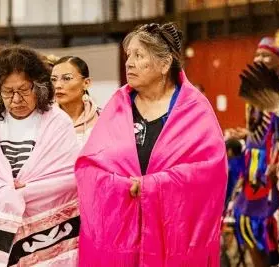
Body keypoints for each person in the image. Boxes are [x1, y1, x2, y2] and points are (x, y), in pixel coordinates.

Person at [74, 22, 227, 267]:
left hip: (173, 240)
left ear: (164, 64)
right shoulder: (118, 105)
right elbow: (89, 166)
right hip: (121, 238)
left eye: (139, 56)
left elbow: (210, 171)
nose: (129, 63)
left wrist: (153, 186)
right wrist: (118, 185)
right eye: (128, 56)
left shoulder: (193, 108)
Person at [0, 46, 80, 266]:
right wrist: (6, 192)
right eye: (8, 92)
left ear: (39, 87)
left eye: (24, 90)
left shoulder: (58, 123)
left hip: (43, 236)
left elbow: (67, 180)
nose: (16, 99)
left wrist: (27, 192)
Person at [233, 37, 279, 266]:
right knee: (247, 223)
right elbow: (257, 129)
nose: (259, 59)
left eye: (265, 55)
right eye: (257, 55)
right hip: (253, 172)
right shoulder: (257, 87)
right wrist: (244, 135)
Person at [51, 56, 99, 145]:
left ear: (86, 83)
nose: (57, 85)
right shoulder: (44, 119)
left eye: (66, 78)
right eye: (53, 79)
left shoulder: (103, 119)